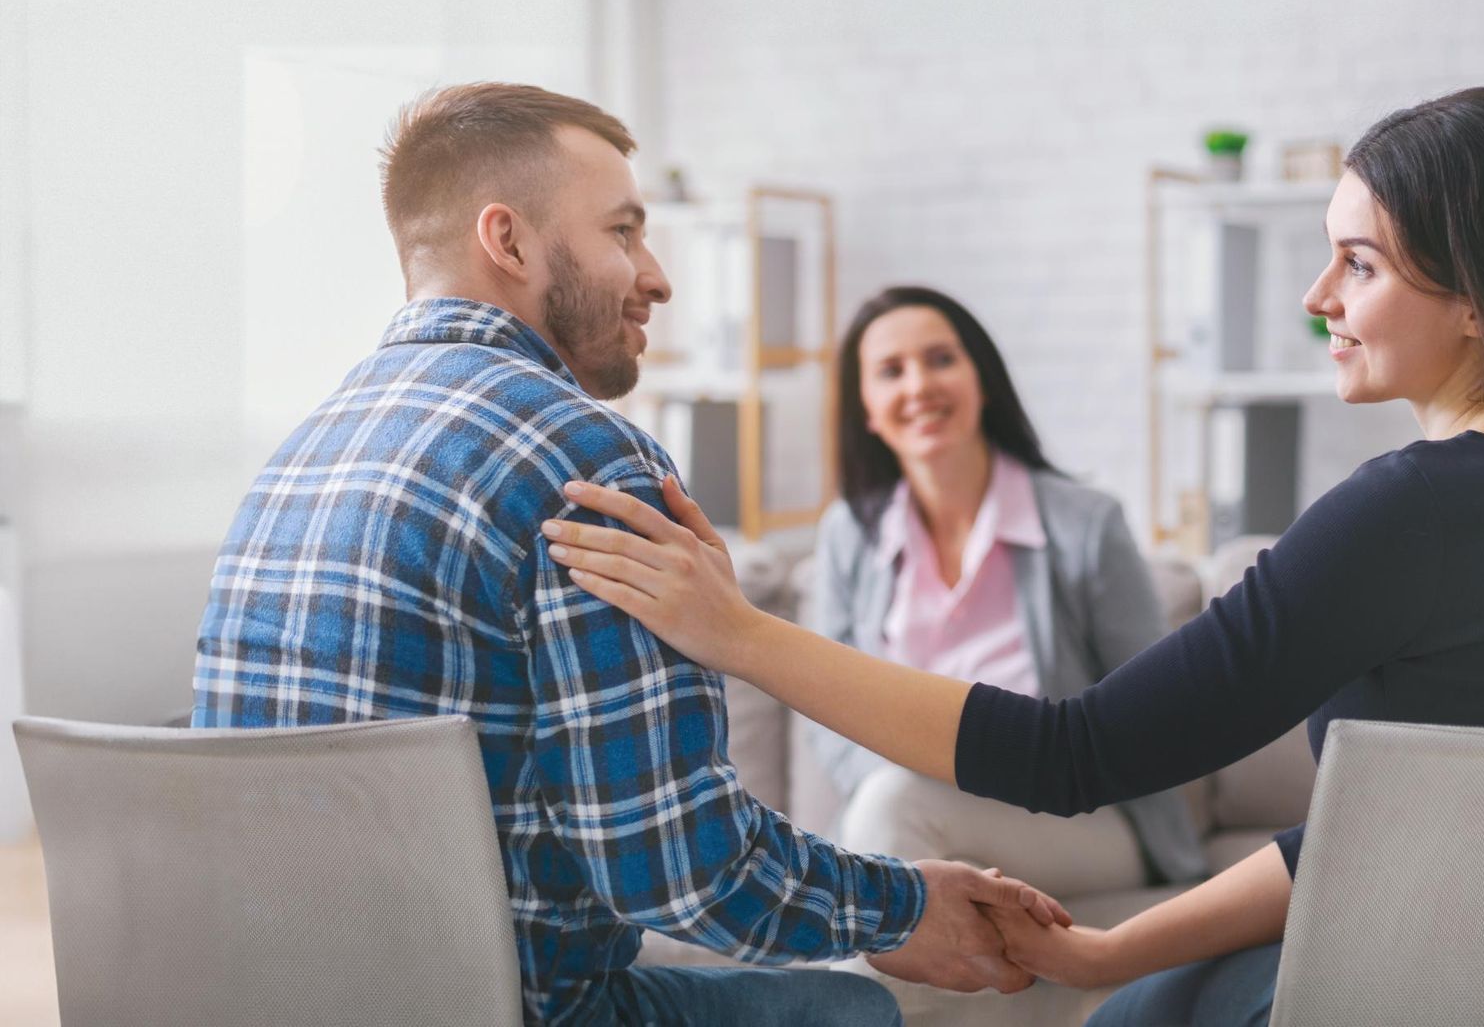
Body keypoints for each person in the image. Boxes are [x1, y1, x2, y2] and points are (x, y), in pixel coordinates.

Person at [539, 86, 1484, 1026]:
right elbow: (1377, 839)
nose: (1316, 296)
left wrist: (742, 635)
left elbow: (1073, 755)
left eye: (1358, 262)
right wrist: (1112, 952)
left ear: (1478, 298)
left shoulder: (1406, 514)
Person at [191, 82, 1068, 1027]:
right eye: (623, 232)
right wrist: (902, 909)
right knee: (847, 1011)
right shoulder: (586, 464)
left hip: (280, 1000)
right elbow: (678, 866)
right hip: (507, 1009)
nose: (656, 276)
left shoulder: (299, 454)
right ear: (510, 241)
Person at [807, 284, 1206, 898]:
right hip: (905, 813)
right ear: (866, 407)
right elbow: (826, 711)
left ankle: (852, 992)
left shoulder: (1087, 525)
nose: (919, 386)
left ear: (982, 379)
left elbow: (1154, 709)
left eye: (941, 359)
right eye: (890, 371)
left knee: (896, 811)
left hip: (1078, 820)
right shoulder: (848, 533)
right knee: (895, 807)